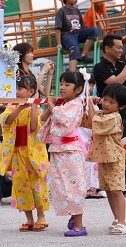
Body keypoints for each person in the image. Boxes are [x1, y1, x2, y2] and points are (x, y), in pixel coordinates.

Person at [38, 71, 87, 237]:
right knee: (61, 186)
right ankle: (73, 218)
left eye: (67, 84)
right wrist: (51, 105)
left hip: (70, 151)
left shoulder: (76, 104)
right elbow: (44, 119)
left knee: (74, 186)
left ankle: (79, 224)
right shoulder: (63, 104)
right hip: (58, 151)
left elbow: (63, 118)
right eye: (61, 84)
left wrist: (53, 105)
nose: (62, 87)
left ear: (78, 89)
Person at [0, 75, 50, 232]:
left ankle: (41, 216)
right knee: (21, 184)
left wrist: (32, 107)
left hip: (33, 152)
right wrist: (19, 107)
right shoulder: (12, 106)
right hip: (18, 152)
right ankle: (29, 218)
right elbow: (6, 121)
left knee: (36, 183)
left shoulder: (38, 108)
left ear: (31, 91)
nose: (17, 91)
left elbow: (34, 127)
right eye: (16, 88)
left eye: (20, 88)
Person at [93, 33, 126, 197]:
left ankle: (125, 186)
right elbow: (115, 83)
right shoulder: (100, 67)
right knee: (109, 150)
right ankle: (107, 186)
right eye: (118, 47)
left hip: (124, 114)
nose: (122, 50)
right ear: (107, 48)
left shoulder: (123, 65)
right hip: (107, 116)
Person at [86, 83, 126, 235]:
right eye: (105, 99)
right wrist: (92, 103)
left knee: (117, 191)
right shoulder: (103, 114)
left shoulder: (113, 117)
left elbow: (93, 122)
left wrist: (90, 102)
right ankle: (117, 219)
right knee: (109, 190)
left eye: (112, 102)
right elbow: (89, 118)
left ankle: (123, 222)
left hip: (115, 159)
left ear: (121, 106)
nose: (106, 104)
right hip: (104, 159)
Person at [55, 0, 98, 71]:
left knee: (94, 30)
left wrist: (90, 36)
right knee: (74, 49)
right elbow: (58, 28)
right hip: (67, 36)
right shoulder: (61, 11)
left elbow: (82, 27)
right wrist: (59, 43)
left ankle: (83, 55)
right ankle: (72, 75)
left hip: (78, 33)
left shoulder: (77, 11)